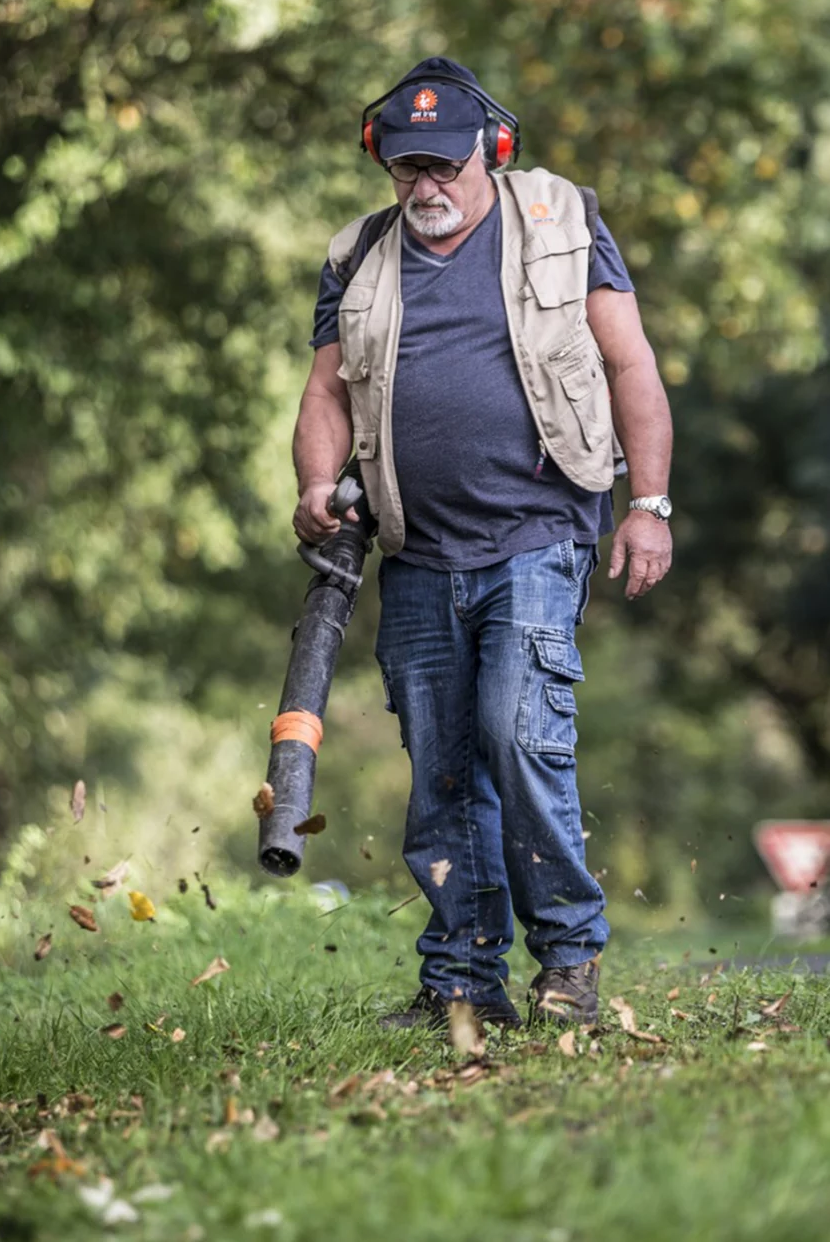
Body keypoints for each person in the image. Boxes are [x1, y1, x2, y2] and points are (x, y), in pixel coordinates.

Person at [292, 57, 673, 1030]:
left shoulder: (558, 221)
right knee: (444, 763)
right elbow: (327, 392)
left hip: (539, 533)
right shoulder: (356, 255)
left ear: (488, 152)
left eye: (443, 166)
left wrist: (649, 503)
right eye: (406, 168)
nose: (425, 187)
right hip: (417, 552)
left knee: (515, 729)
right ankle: (461, 980)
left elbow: (629, 361)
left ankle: (571, 961)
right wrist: (311, 483)